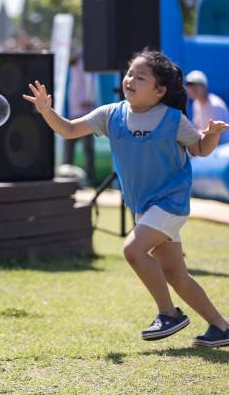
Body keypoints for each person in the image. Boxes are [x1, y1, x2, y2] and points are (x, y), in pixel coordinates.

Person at [23, 49, 229, 347]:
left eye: (140, 76)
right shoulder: (111, 114)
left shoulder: (173, 119)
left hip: (170, 203)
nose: (130, 79)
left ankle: (169, 314)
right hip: (144, 207)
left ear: (160, 90)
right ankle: (221, 327)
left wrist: (209, 136)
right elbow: (68, 130)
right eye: (129, 73)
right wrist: (46, 111)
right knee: (176, 274)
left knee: (133, 250)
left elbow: (199, 149)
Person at [64, 50, 96, 183]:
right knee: (70, 148)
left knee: (87, 148)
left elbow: (91, 82)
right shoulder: (74, 63)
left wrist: (89, 99)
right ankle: (65, 176)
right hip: (74, 111)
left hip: (85, 111)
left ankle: (90, 177)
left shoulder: (86, 62)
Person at [185, 70, 229, 145]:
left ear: (205, 87)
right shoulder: (196, 104)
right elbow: (199, 130)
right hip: (208, 147)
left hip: (222, 148)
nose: (192, 89)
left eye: (196, 86)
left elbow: (216, 138)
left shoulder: (215, 106)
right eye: (190, 87)